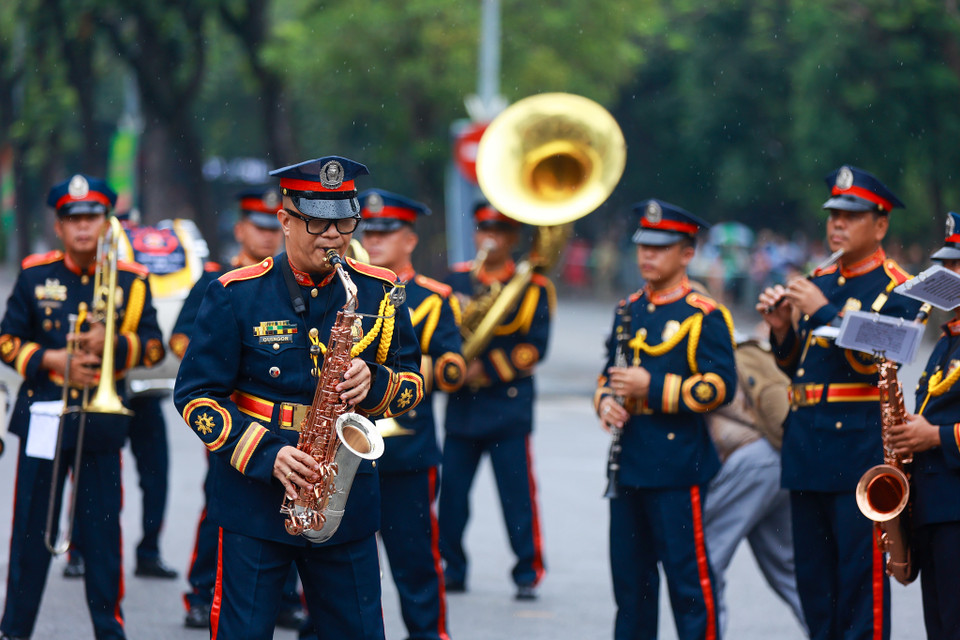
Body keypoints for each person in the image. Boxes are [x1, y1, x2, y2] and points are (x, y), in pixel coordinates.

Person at [173, 156, 424, 640]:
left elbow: (413, 381)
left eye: (344, 222)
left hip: (343, 499)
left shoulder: (380, 291)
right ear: (285, 220)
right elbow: (196, 397)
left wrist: (375, 381)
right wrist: (267, 454)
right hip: (255, 501)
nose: (333, 236)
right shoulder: (233, 294)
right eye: (317, 222)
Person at [757, 165, 922, 640]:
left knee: (860, 586)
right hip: (807, 447)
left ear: (881, 225)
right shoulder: (819, 278)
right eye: (833, 214)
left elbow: (885, 356)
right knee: (814, 583)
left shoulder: (898, 286)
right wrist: (782, 327)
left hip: (858, 453)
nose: (837, 224)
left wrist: (822, 312)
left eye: (851, 215)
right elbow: (798, 367)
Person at [0, 174, 164, 640]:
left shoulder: (132, 282)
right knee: (30, 533)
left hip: (101, 417)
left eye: (92, 218)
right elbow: (7, 341)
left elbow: (153, 347)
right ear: (59, 226)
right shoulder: (35, 276)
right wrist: (52, 359)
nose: (83, 228)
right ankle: (15, 630)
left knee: (102, 535)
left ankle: (108, 631)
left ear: (108, 223)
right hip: (45, 415)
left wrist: (115, 343)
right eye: (73, 220)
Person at [596, 199, 736, 640]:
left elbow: (719, 387)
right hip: (629, 463)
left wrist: (651, 388)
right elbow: (608, 372)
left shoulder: (703, 314)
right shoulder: (628, 309)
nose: (647, 256)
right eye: (643, 246)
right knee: (631, 586)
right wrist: (605, 402)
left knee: (688, 584)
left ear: (687, 253)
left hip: (678, 466)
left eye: (660, 247)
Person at [170, 187, 308, 630]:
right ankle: (202, 589)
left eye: (274, 226)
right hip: (232, 419)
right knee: (224, 510)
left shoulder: (290, 281)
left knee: (292, 508)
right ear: (241, 229)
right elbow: (180, 340)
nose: (268, 236)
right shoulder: (220, 281)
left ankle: (284, 595)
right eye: (260, 226)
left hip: (284, 424)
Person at [359, 188, 464, 640]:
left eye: (388, 232)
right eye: (371, 232)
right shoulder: (351, 288)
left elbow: (454, 367)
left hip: (408, 449)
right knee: (344, 562)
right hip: (353, 447)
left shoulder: (435, 298)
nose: (376, 240)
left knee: (414, 560)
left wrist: (399, 372)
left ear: (411, 240)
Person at [438, 202, 553, 601]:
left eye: (500, 230)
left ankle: (527, 570)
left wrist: (484, 369)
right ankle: (452, 566)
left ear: (513, 238)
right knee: (451, 494)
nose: (491, 236)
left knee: (517, 496)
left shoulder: (534, 286)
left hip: (508, 406)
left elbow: (534, 349)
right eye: (485, 228)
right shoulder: (455, 280)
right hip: (463, 407)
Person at [888, 211, 960, 640]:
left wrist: (933, 436)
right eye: (946, 265)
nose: (948, 274)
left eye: (957, 265)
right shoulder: (947, 338)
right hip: (936, 510)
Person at [702, 339, 806, 635]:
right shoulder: (729, 341)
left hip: (749, 462)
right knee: (790, 570)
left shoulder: (691, 339)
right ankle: (835, 631)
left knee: (705, 559)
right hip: (776, 456)